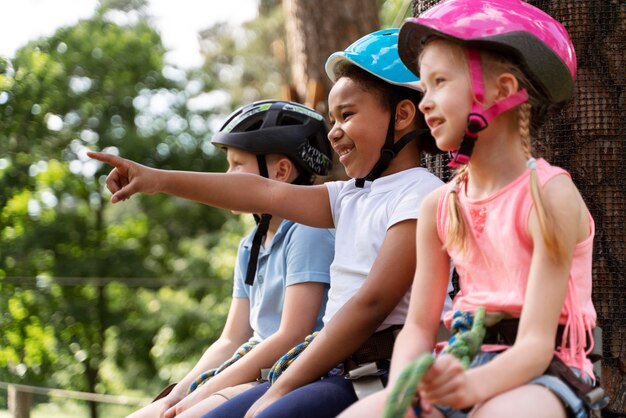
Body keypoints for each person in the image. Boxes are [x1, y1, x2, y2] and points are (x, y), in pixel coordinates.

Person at [90, 28, 450, 418]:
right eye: (332, 118)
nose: (334, 131)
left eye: (347, 115)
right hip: (337, 369)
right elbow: (259, 192)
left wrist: (282, 388)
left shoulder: (419, 195)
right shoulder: (349, 196)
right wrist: (158, 179)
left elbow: (371, 304)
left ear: (401, 114)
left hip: (378, 370)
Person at [338, 1, 605, 418]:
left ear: (500, 89)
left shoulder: (549, 195)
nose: (425, 103)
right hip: (463, 361)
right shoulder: (439, 206)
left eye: (439, 82)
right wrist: (407, 389)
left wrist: (470, 387)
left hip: (546, 373)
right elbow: (420, 327)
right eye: (423, 88)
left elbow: (536, 344)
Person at [122, 100, 335, 418]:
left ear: (280, 171)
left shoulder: (307, 232)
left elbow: (292, 334)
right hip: (251, 366)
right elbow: (232, 337)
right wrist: (177, 393)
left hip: (291, 369)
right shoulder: (252, 244)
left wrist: (201, 395)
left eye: (237, 165)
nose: (227, 175)